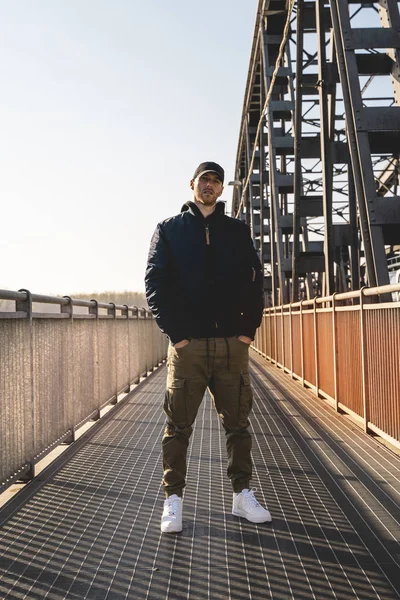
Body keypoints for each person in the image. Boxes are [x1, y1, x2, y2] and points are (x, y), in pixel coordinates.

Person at [145, 161, 272, 533]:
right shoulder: (169, 230)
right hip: (189, 346)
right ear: (192, 185)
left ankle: (242, 496)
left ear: (221, 189)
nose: (210, 186)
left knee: (238, 425)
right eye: (205, 180)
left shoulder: (236, 230)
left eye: (216, 181)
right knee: (178, 425)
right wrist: (176, 334)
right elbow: (155, 283)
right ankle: (174, 500)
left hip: (232, 344)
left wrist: (247, 330)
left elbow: (255, 280)